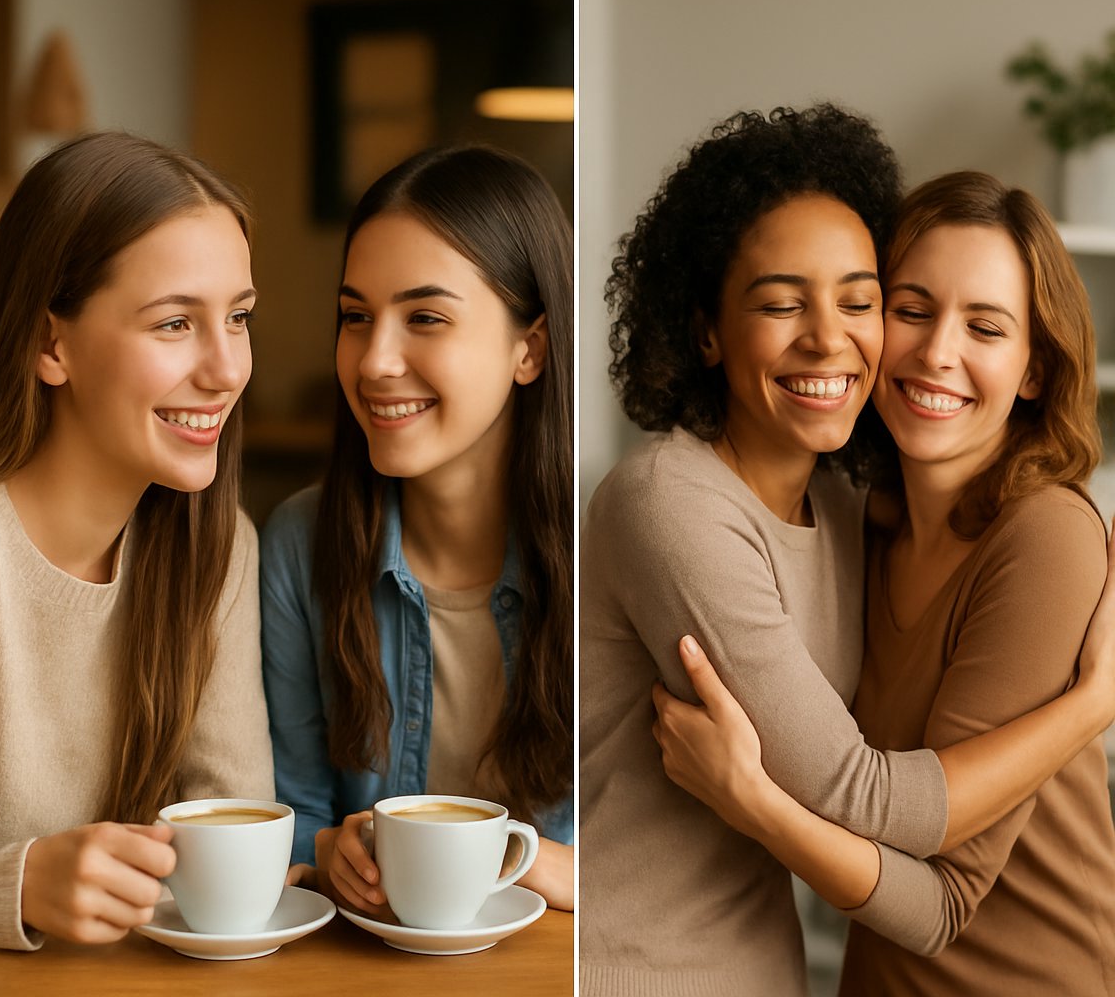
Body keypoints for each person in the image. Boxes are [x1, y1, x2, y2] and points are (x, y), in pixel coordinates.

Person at [579, 105, 1115, 995]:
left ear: (1036, 367)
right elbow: (871, 810)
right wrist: (1094, 705)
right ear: (707, 329)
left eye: (858, 301)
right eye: (911, 308)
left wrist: (751, 799)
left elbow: (936, 898)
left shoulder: (930, 520)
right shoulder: (763, 508)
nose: (832, 336)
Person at [262, 144, 575, 915]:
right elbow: (290, 811)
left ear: (528, 347)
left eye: (425, 318)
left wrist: (551, 870)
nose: (374, 361)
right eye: (356, 318)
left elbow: (661, 858)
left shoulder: (612, 548)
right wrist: (327, 849)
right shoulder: (301, 543)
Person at [0, 131, 273, 949]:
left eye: (239, 318)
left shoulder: (219, 549)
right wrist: (10, 883)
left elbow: (233, 818)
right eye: (175, 323)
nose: (226, 370)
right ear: (50, 344)